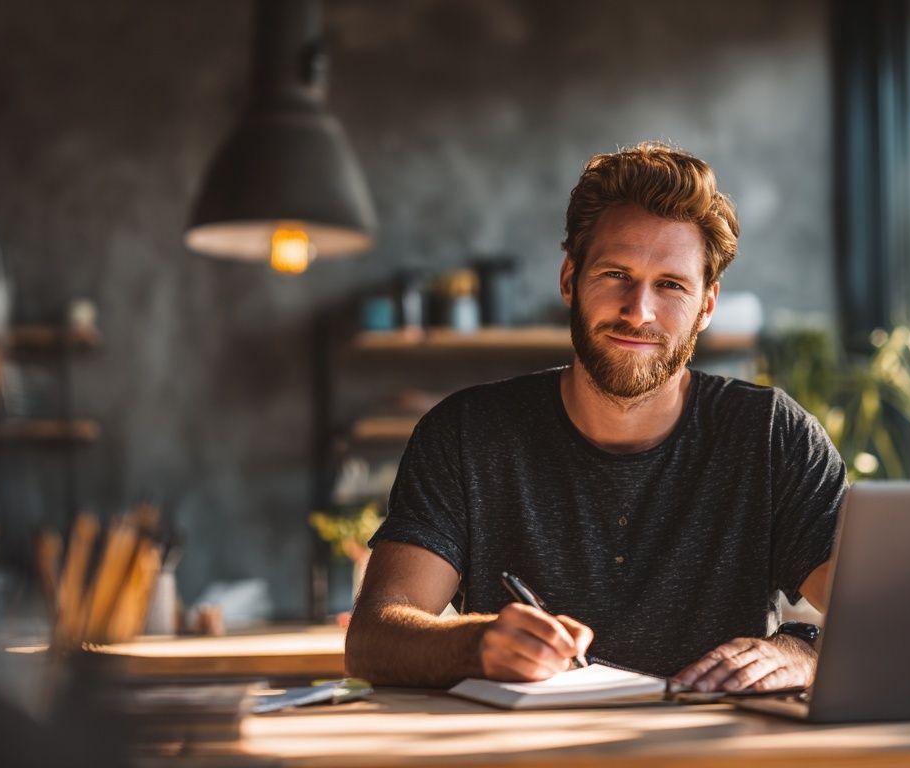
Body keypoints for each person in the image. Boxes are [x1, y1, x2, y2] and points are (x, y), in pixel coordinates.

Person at [345, 142, 847, 694]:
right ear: (569, 280)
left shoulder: (772, 436)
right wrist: (476, 644)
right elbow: (374, 638)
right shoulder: (467, 434)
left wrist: (806, 653)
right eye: (615, 274)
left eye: (672, 285)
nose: (639, 311)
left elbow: (889, 615)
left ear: (706, 306)